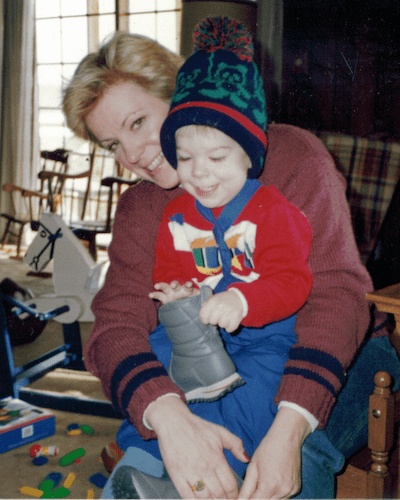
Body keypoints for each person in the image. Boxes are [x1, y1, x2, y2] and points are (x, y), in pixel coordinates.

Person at [62, 22, 400, 500]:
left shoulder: (291, 156)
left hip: (342, 350)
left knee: (291, 460)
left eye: (137, 123)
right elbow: (115, 327)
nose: (132, 155)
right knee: (157, 450)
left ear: (179, 95)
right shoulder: (143, 207)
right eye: (112, 144)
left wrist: (292, 425)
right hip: (214, 360)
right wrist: (171, 419)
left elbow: (337, 298)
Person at [146, 17, 312, 414]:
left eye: (216, 157)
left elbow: (293, 281)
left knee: (255, 395)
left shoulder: (272, 210)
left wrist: (242, 300)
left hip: (262, 333)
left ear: (248, 157)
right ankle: (146, 459)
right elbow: (166, 272)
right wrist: (178, 293)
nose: (198, 171)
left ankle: (230, 464)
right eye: (184, 158)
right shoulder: (176, 216)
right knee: (158, 367)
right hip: (197, 328)